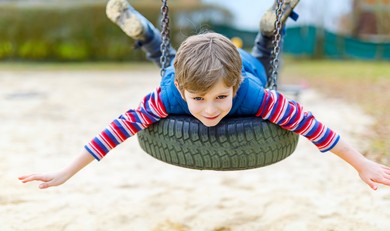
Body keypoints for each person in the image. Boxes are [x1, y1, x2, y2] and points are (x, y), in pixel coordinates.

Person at [19, 0, 390, 191]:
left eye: (220, 98)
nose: (209, 111)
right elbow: (113, 133)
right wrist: (65, 172)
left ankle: (266, 29)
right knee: (164, 61)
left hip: (246, 66)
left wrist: (362, 163)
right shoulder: (171, 92)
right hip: (196, 65)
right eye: (197, 99)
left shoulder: (252, 93)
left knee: (261, 63)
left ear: (234, 88)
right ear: (183, 89)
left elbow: (313, 128)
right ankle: (268, 26)